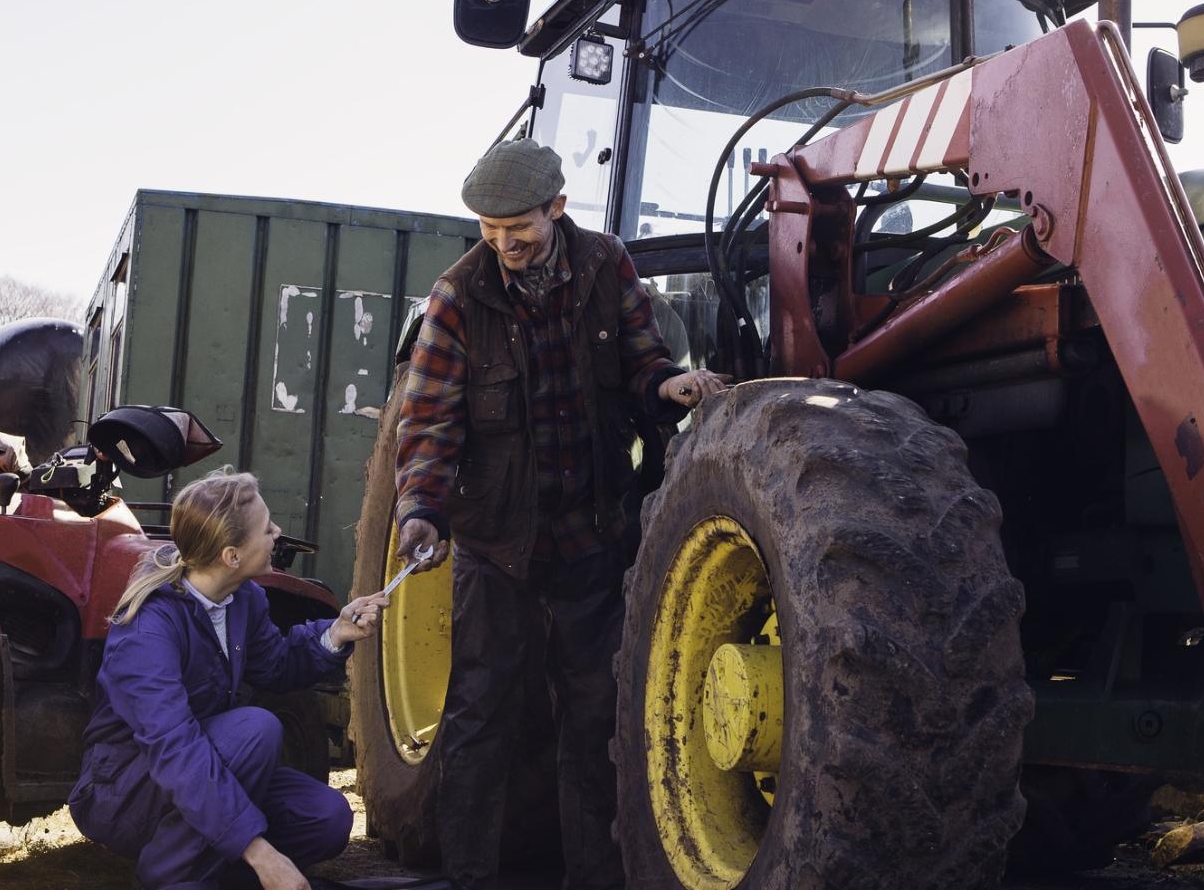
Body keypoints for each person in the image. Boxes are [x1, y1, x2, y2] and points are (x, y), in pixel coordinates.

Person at [394, 139, 726, 889]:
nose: (505, 246)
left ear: (558, 208)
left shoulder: (609, 266)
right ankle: (470, 879)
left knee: (595, 718)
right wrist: (420, 509)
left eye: (520, 230)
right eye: (489, 232)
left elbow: (643, 360)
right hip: (497, 546)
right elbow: (430, 424)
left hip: (590, 536)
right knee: (480, 718)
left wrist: (670, 385)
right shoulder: (457, 297)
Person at [71, 470, 391, 890]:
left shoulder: (242, 598)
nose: (277, 533)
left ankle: (222, 871)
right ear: (231, 555)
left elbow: (276, 664)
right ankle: (168, 876)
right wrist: (260, 851)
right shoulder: (148, 629)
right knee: (255, 730)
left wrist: (336, 633)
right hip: (127, 790)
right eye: (266, 528)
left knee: (327, 818)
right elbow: (176, 751)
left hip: (201, 764)